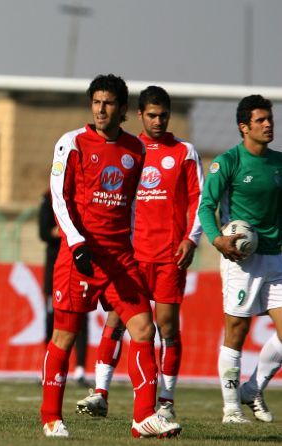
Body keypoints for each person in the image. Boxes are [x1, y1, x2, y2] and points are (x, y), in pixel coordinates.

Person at [41, 74, 182, 438]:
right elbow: (59, 198)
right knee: (64, 338)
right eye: (96, 102)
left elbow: (132, 206)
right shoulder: (72, 143)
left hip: (120, 259)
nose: (101, 109)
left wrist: (135, 246)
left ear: (122, 110)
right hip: (81, 256)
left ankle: (143, 417)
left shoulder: (136, 150)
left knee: (144, 329)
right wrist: (76, 243)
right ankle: (51, 418)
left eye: (108, 103)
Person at [76, 86, 204, 420]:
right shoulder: (130, 149)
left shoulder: (185, 152)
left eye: (163, 115)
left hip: (169, 256)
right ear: (139, 115)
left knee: (166, 327)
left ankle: (166, 402)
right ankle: (100, 392)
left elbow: (199, 201)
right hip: (131, 254)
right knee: (116, 319)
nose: (158, 121)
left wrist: (191, 239)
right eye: (152, 115)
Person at [197, 94, 282, 424]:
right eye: (260, 120)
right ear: (244, 127)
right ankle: (231, 407)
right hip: (241, 260)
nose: (268, 124)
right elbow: (206, 206)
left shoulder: (278, 163)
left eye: (269, 119)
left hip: (276, 257)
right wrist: (217, 239)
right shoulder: (228, 162)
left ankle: (252, 388)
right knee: (236, 331)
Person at [39, 189, 90, 387]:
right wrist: (70, 232)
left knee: (81, 318)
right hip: (56, 267)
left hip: (81, 264)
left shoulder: (84, 195)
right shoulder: (48, 198)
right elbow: (44, 232)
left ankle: (80, 369)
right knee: (52, 318)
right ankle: (49, 369)